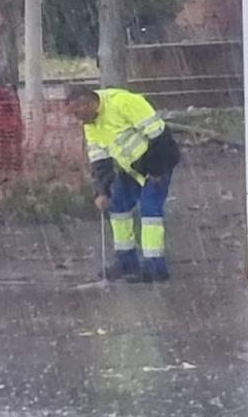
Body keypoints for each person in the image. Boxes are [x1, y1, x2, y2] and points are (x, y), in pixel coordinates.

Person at [66, 85, 180, 282]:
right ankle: (126, 261)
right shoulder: (90, 123)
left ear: (89, 103)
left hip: (157, 162)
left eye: (78, 112)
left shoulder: (123, 103)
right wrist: (102, 192)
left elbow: (160, 136)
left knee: (150, 209)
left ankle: (155, 266)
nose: (77, 118)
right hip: (133, 168)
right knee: (117, 206)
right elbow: (100, 161)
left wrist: (156, 170)